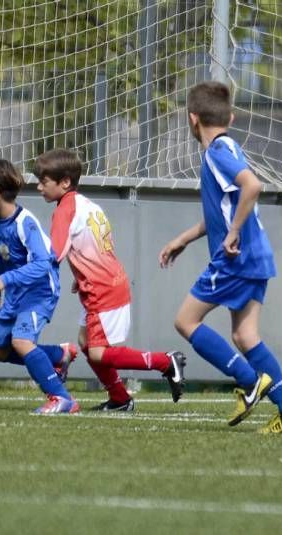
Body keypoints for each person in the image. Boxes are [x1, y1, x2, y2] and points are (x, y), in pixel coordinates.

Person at [158, 81, 282, 434]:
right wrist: (184, 238)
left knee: (185, 321)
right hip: (256, 256)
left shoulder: (217, 153)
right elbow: (223, 211)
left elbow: (252, 186)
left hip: (236, 257)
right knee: (245, 337)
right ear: (231, 116)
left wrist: (232, 233)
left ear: (192, 119)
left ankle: (247, 379)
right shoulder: (229, 146)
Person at [34, 148, 185, 411]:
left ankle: (165, 361)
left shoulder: (64, 211)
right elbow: (94, 247)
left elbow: (53, 256)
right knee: (86, 343)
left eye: (44, 181)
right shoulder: (88, 205)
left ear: (65, 182)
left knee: (98, 352)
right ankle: (120, 399)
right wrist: (80, 275)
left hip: (101, 290)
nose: (38, 187)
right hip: (106, 284)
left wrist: (22, 278)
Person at [0, 159, 78, 414]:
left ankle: (62, 399)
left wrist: (5, 281)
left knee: (21, 342)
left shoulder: (25, 223)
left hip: (40, 292)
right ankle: (57, 356)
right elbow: (1, 257)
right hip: (18, 293)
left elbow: (44, 263)